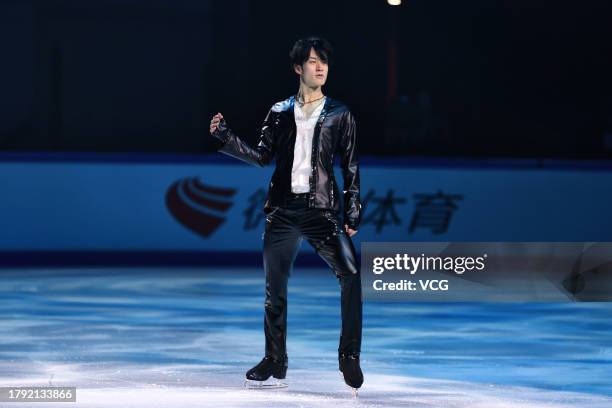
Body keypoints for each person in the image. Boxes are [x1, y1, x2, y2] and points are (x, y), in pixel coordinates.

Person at [209, 36, 363, 394]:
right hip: (281, 212)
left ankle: (349, 356)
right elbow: (262, 156)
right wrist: (227, 137)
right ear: (298, 67)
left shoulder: (341, 114)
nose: (320, 67)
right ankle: (274, 360)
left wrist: (352, 209)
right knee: (274, 291)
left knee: (351, 275)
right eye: (312, 61)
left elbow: (351, 166)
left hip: (322, 212)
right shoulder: (279, 112)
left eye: (324, 61)